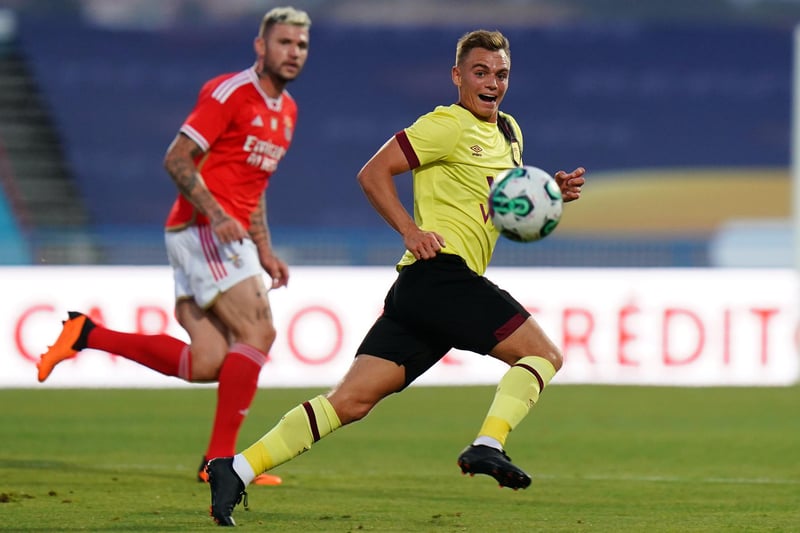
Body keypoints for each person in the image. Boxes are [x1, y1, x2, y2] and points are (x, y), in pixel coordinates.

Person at [206, 28, 586, 526]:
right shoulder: (444, 125)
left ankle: (235, 468)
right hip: (440, 276)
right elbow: (372, 172)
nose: (492, 83)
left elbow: (499, 200)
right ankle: (487, 444)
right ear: (457, 77)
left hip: (421, 292)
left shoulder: (511, 132)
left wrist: (547, 193)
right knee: (544, 355)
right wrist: (410, 229)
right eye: (480, 72)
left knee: (351, 401)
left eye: (501, 74)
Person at [36, 6, 312, 486]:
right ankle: (219, 464)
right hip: (203, 226)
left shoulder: (287, 112)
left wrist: (264, 249)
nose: (293, 53)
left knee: (207, 362)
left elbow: (255, 182)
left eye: (301, 45)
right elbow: (177, 159)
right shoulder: (230, 92)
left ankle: (85, 334)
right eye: (284, 42)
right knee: (259, 330)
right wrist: (219, 214)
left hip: (228, 232)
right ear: (260, 46)